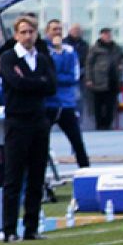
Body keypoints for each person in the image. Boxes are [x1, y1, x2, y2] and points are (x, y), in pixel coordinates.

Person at [0, 14, 56, 241]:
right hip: (17, 121)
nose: (27, 36)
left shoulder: (42, 58)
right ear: (16, 35)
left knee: (37, 176)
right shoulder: (8, 58)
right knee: (13, 177)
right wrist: (38, 82)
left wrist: (31, 82)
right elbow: (16, 83)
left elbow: (51, 85)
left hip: (39, 121)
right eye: (23, 32)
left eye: (31, 32)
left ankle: (31, 227)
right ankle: (10, 230)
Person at [45, 21, 90, 167]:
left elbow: (74, 76)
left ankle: (85, 170)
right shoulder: (42, 50)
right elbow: (45, 74)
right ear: (47, 31)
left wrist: (55, 78)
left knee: (77, 141)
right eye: (54, 29)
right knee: (40, 142)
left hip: (66, 103)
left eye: (59, 29)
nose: (57, 32)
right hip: (47, 103)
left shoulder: (69, 50)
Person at [85, 26, 123, 129]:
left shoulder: (116, 47)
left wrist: (121, 64)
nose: (107, 36)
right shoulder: (95, 48)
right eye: (105, 34)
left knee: (111, 104)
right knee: (98, 105)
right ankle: (99, 125)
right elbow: (89, 64)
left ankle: (108, 124)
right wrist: (89, 79)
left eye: (109, 34)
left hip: (113, 80)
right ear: (101, 35)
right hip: (98, 80)